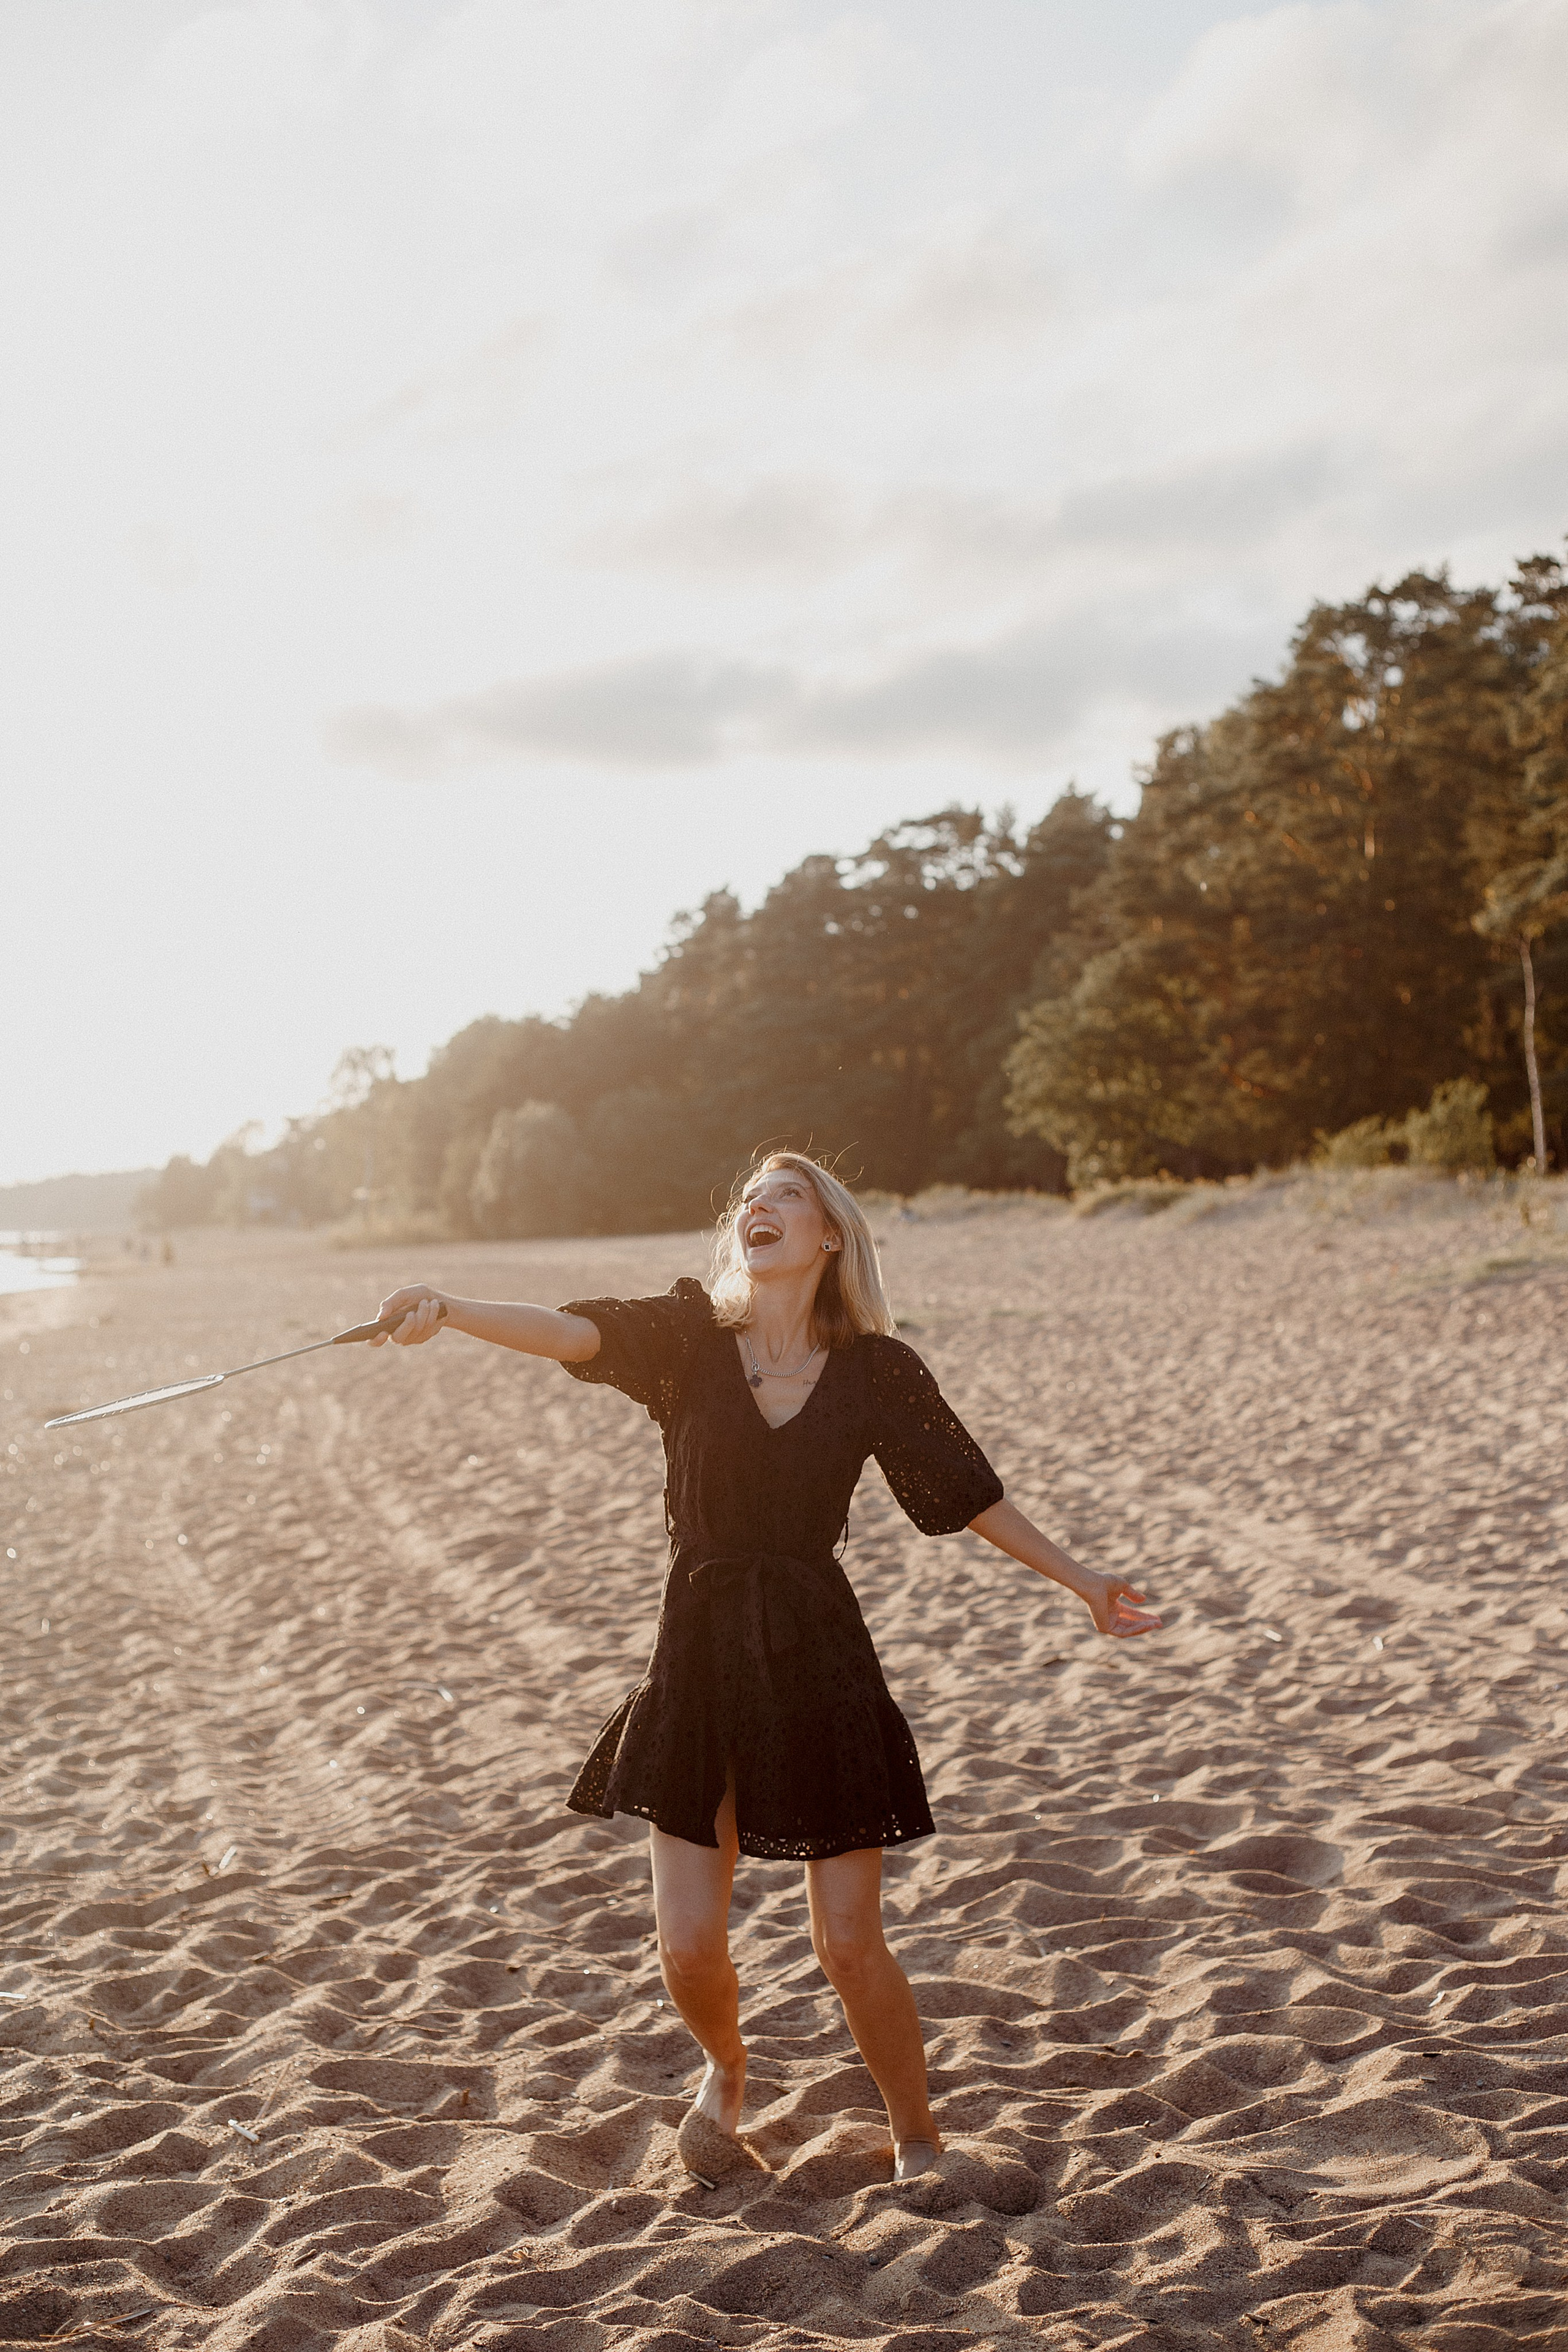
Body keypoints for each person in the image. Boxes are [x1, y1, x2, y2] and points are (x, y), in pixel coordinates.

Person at [371, 1150, 1159, 2182]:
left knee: (845, 1944)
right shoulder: (689, 1340)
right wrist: (450, 1305)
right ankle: (728, 2068)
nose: (760, 1206)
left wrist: (1084, 1579)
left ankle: (918, 2139)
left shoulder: (880, 1371)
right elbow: (570, 1331)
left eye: (787, 1195)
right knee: (689, 1947)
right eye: (751, 1197)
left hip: (817, 1656)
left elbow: (966, 1494)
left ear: (830, 1235)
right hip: (696, 1655)